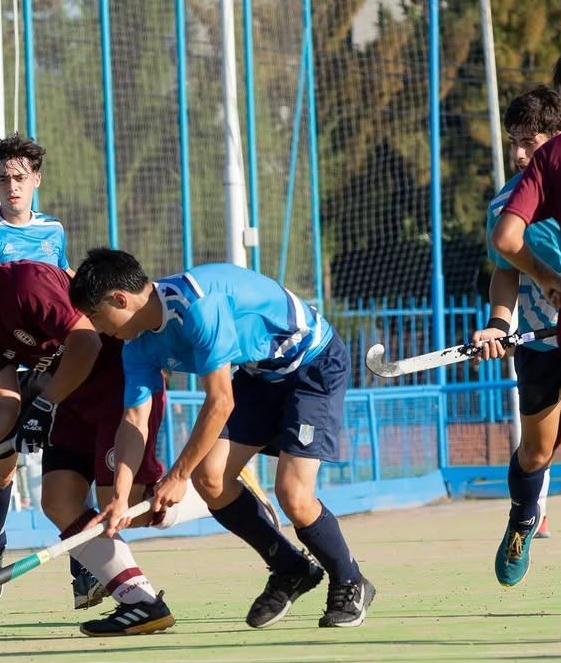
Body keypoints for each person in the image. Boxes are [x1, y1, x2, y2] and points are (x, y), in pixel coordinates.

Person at [69, 249, 374, 629]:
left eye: (96, 315)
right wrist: (119, 498)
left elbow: (220, 401)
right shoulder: (136, 346)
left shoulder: (197, 307)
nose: (97, 328)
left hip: (312, 366)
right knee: (211, 478)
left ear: (120, 300)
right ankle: (291, 568)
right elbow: (134, 421)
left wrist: (177, 475)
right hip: (259, 376)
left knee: (293, 494)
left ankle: (350, 580)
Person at [0, 221, 180, 638]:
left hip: (120, 388)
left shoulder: (25, 282)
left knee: (123, 505)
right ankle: (141, 602)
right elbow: (4, 403)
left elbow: (87, 341)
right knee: (58, 500)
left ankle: (212, 491)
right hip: (70, 403)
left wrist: (46, 402)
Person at [0, 133, 103, 613]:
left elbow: (62, 285)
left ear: (36, 180)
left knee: (67, 468)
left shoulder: (53, 230)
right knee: (2, 467)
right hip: (4, 368)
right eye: (3, 178)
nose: (12, 186)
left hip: (53, 367)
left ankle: (85, 569)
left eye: (20, 177)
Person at [470, 86, 561, 580]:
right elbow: (505, 269)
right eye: (514, 142)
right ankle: (523, 521)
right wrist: (497, 324)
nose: (520, 154)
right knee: (536, 451)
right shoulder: (506, 204)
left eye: (530, 141)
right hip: (541, 343)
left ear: (557, 138)